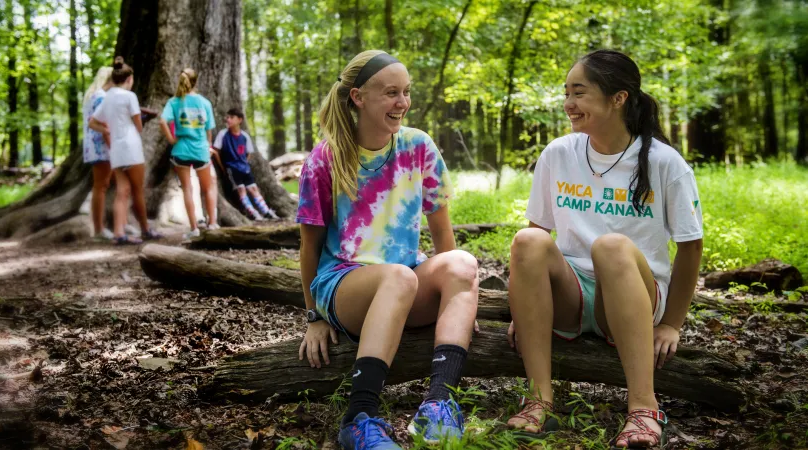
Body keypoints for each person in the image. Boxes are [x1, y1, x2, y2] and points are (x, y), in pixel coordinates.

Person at [505, 49, 703, 449]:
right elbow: (537, 236)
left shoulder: (665, 163)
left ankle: (644, 409)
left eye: (579, 93)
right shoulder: (559, 153)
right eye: (566, 93)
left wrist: (671, 325)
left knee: (611, 247)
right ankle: (538, 399)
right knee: (526, 240)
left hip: (632, 298)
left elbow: (691, 247)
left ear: (619, 98)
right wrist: (527, 307)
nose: (568, 104)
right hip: (571, 295)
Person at [296, 50, 480, 449]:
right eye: (391, 93)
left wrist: (456, 301)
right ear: (359, 97)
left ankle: (439, 404)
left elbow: (442, 234)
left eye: (407, 93)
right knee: (398, 277)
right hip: (345, 287)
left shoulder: (418, 146)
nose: (403, 103)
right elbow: (309, 250)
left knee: (463, 263)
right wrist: (313, 316)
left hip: (405, 282)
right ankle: (359, 417)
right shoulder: (324, 159)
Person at [89, 57, 162, 245]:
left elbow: (93, 122)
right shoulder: (130, 97)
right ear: (129, 79)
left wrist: (107, 129)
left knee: (123, 190)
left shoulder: (107, 96)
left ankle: (119, 233)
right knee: (138, 190)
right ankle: (146, 229)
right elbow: (138, 125)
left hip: (116, 150)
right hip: (131, 147)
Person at [159, 68, 218, 239]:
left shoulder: (174, 102)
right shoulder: (204, 103)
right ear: (196, 82)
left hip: (181, 150)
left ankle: (194, 228)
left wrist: (171, 139)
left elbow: (163, 121)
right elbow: (209, 130)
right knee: (208, 188)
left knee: (187, 189)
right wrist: (208, 146)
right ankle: (212, 223)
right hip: (200, 150)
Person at [211, 108, 278, 220]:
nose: (228, 120)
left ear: (239, 120)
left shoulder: (244, 136)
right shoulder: (223, 134)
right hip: (232, 168)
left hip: (244, 168)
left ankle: (266, 211)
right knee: (241, 190)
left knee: (253, 189)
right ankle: (253, 213)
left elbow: (248, 153)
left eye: (231, 117)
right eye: (227, 117)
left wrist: (244, 162)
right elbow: (216, 151)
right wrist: (224, 167)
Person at [82, 66, 114, 240]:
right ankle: (99, 229)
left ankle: (104, 225)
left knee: (101, 186)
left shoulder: (91, 96)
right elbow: (105, 125)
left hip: (92, 146)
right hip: (101, 145)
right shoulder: (102, 97)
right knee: (101, 187)